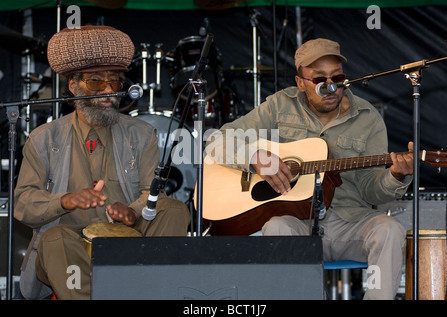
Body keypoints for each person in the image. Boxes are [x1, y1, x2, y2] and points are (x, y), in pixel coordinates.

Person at [206, 38, 414, 300]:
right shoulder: (279, 106)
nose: (330, 87)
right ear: (300, 82)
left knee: (389, 229)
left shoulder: (367, 117)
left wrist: (395, 176)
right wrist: (254, 156)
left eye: (337, 77)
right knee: (277, 227)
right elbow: (215, 141)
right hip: (297, 221)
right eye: (319, 79)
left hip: (348, 223)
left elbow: (373, 191)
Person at [14, 25, 191, 300]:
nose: (109, 90)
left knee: (173, 209)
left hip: (129, 239)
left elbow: (152, 195)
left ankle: (154, 292)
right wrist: (66, 200)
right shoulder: (43, 138)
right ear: (74, 87)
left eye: (115, 82)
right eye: (97, 82)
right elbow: (24, 204)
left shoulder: (141, 134)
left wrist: (132, 212)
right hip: (73, 242)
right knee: (55, 238)